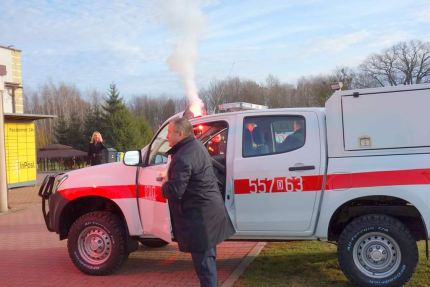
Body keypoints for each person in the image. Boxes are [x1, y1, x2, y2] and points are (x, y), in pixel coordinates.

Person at [161, 117, 235, 287]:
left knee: (205, 267)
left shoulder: (183, 156)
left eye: (169, 132)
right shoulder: (195, 147)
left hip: (200, 219)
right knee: (207, 263)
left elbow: (176, 190)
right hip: (207, 215)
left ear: (180, 133)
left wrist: (164, 185)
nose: (167, 136)